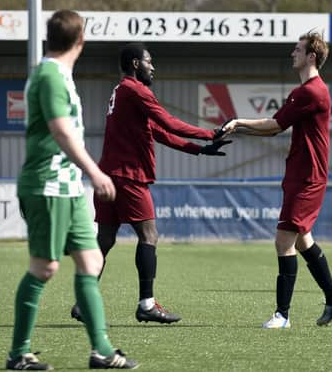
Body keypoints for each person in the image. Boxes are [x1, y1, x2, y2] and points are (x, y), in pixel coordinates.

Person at [9, 10, 137, 370]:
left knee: (92, 260)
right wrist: (95, 172)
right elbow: (61, 130)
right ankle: (18, 353)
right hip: (48, 184)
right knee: (44, 266)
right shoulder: (49, 74)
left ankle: (102, 352)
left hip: (67, 186)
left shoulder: (60, 73)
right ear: (80, 41)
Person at [70, 42, 230, 325]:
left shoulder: (121, 92)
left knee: (105, 239)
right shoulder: (137, 90)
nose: (152, 66)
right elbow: (167, 122)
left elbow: (158, 132)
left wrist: (200, 148)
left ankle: (84, 301)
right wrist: (210, 132)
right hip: (129, 177)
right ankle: (146, 304)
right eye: (148, 61)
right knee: (149, 235)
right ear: (135, 64)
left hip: (108, 176)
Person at [219, 31, 332, 328]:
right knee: (303, 240)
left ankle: (283, 315)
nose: (293, 53)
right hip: (300, 174)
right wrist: (238, 129)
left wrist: (238, 121)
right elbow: (275, 128)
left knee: (283, 241)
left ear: (311, 56)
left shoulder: (311, 91)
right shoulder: (307, 90)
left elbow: (274, 124)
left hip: (308, 177)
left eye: (297, 49)